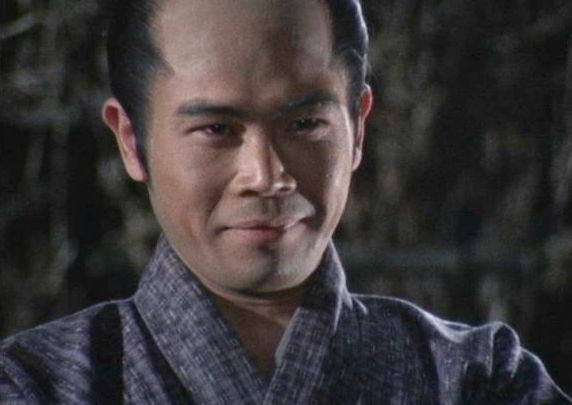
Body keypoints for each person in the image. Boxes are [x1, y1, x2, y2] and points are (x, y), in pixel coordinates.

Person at [1, 0, 570, 403]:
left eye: (304, 123)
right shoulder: (35, 386)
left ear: (358, 128)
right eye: (217, 129)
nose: (267, 175)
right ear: (131, 140)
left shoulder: (478, 381)